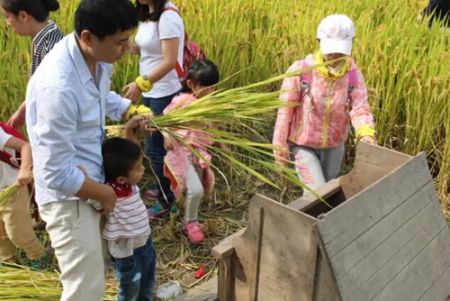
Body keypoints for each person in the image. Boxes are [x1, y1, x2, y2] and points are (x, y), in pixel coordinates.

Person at [25, 0, 138, 300]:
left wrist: (127, 109)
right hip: (68, 202)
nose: (126, 49)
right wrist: (106, 194)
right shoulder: (58, 87)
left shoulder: (96, 59)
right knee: (84, 291)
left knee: (92, 280)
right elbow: (55, 174)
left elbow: (100, 97)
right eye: (121, 42)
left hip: (90, 183)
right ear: (88, 37)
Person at [273, 14, 376, 195]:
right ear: (319, 41)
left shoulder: (352, 75)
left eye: (340, 51)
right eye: (331, 50)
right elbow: (285, 112)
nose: (334, 56)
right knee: (317, 192)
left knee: (327, 191)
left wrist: (366, 133)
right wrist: (279, 147)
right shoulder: (301, 71)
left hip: (335, 146)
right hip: (302, 145)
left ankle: (314, 221)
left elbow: (360, 108)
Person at [122, 0, 185, 218]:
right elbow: (141, 50)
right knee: (155, 146)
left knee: (155, 151)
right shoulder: (147, 14)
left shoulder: (168, 16)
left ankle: (167, 203)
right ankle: (166, 187)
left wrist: (140, 84)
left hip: (164, 92)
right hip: (151, 92)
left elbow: (169, 61)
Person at [163, 59, 219, 243]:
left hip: (199, 154)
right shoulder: (183, 101)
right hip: (183, 153)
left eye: (214, 87)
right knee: (195, 190)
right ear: (191, 84)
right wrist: (167, 136)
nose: (211, 92)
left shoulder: (209, 103)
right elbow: (164, 121)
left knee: (197, 187)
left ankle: (183, 210)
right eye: (206, 87)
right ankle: (191, 222)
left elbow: (211, 127)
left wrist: (220, 142)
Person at [102, 117, 155, 301]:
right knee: (130, 290)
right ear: (121, 179)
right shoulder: (110, 193)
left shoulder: (128, 184)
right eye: (139, 168)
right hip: (127, 253)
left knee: (147, 283)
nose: (143, 169)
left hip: (145, 242)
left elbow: (134, 156)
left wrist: (130, 132)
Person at [1, 0, 64, 130]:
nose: (7, 23)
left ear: (23, 16)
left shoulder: (52, 45)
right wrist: (23, 110)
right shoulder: (46, 38)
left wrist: (22, 111)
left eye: (7, 17)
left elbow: (52, 94)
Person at [0, 123, 44, 262]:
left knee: (19, 233)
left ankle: (39, 258)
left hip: (12, 188)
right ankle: (9, 264)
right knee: (1, 239)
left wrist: (25, 169)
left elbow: (25, 146)